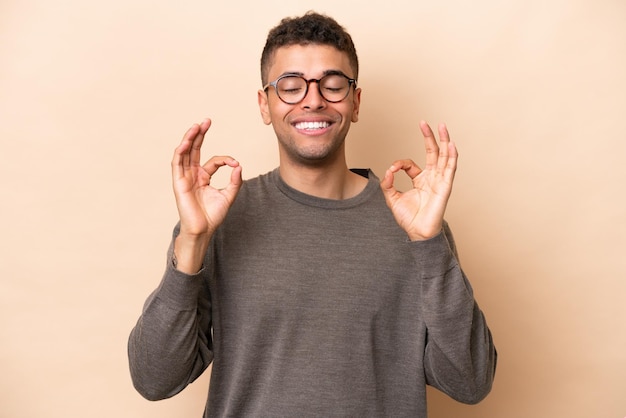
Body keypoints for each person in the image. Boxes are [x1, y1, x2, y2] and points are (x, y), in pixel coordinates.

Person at [128, 11, 496, 417]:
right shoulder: (216, 220)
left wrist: (429, 245)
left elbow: (470, 382)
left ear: (355, 103)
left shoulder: (416, 224)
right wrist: (193, 241)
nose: (313, 99)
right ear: (264, 105)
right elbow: (155, 379)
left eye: (333, 84)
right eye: (290, 86)